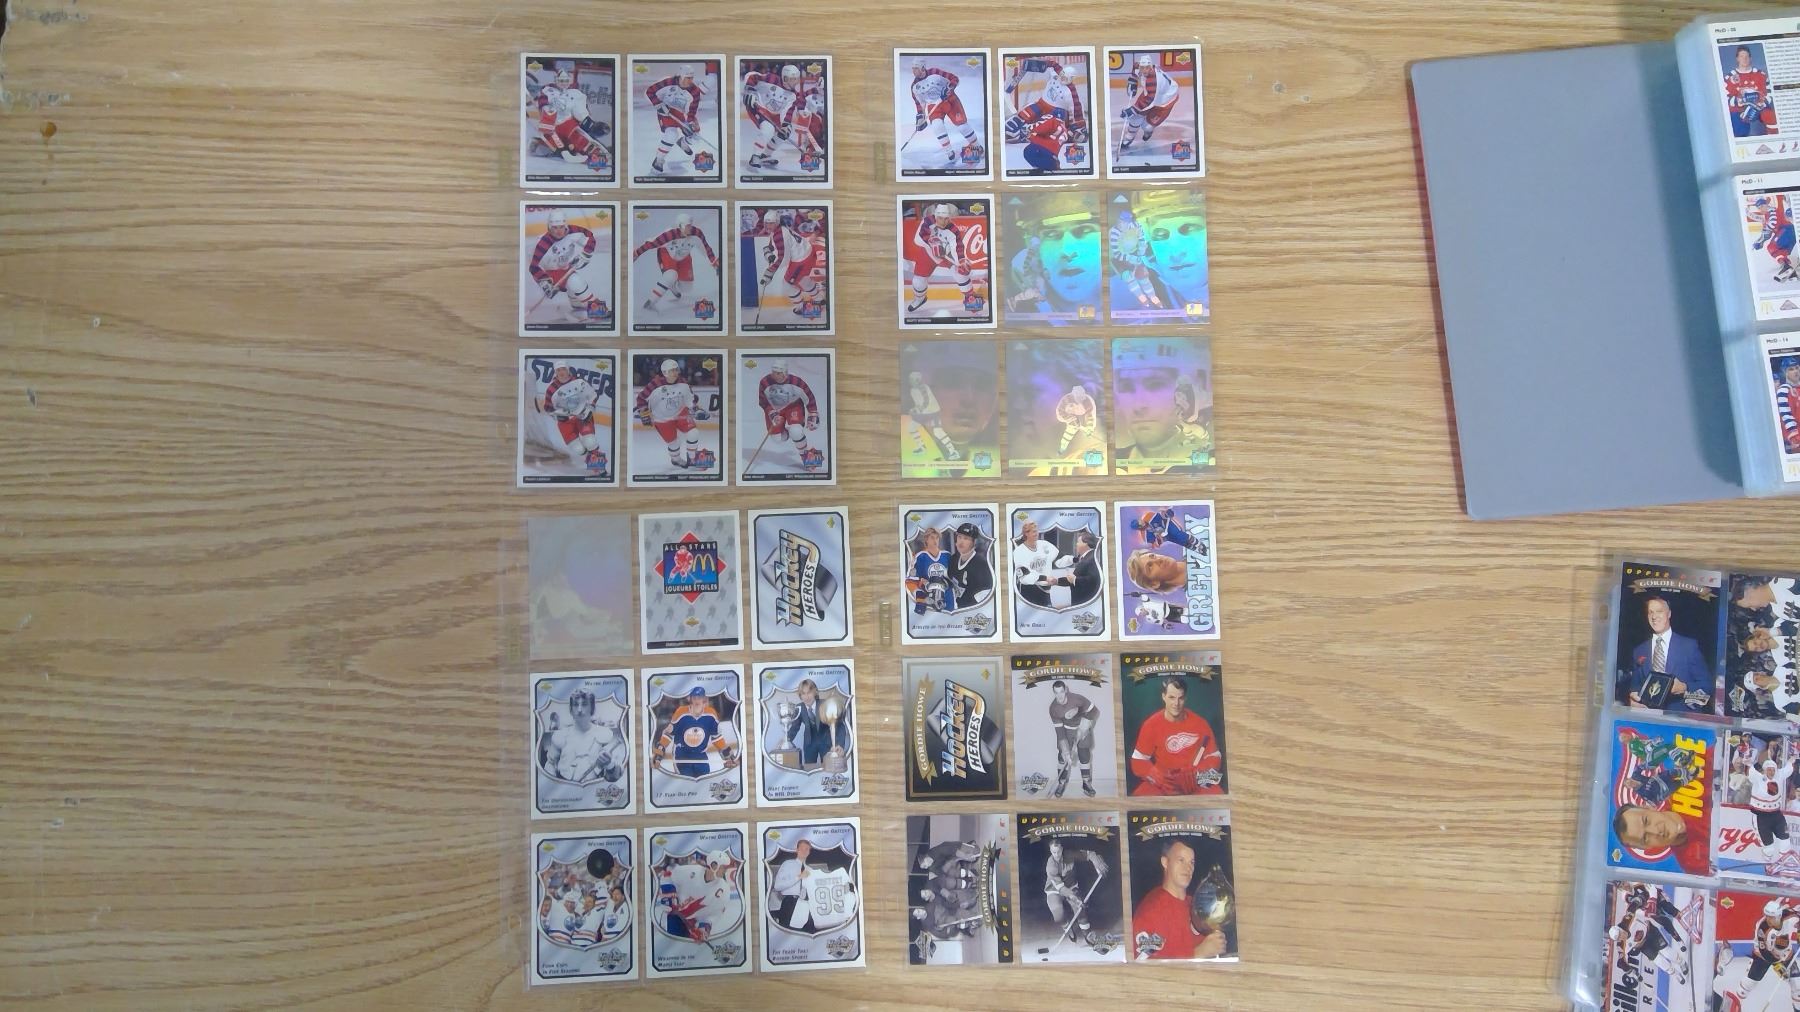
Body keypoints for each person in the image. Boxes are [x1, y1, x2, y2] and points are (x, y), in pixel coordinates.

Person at [1114, 339, 1210, 470]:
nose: (1138, 405)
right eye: (1126, 387)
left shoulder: (1207, 463)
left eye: (1156, 385)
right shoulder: (1109, 460)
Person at [1131, 839, 1228, 960]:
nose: (1188, 868)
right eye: (1181, 860)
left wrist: (1217, 943)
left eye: (1191, 862)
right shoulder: (1151, 910)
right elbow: (1143, 961)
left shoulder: (1198, 906)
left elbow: (1210, 949)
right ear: (1165, 862)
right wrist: (1198, 953)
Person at [1130, 676, 1223, 795]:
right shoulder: (1151, 724)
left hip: (1195, 781)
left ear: (1185, 698)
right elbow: (1138, 760)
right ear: (1163, 697)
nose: (1176, 703)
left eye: (1181, 698)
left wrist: (1197, 775)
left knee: (1218, 794)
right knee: (1139, 797)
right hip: (1164, 782)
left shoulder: (1200, 723)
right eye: (1172, 697)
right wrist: (1159, 778)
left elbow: (1215, 757)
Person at [1622, 596, 1713, 713]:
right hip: (1648, 718)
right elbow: (1634, 689)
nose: (1654, 617)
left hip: (1681, 719)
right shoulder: (1639, 651)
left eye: (1659, 611)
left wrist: (1685, 688)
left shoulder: (1689, 647)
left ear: (1669, 614)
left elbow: (1708, 688)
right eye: (1650, 612)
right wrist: (1632, 701)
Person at [527, 209, 609, 322]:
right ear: (549, 227)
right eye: (555, 227)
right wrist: (544, 282)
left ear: (565, 225)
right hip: (550, 273)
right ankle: (599, 311)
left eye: (561, 227)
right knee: (576, 282)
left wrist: (585, 254)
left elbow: (590, 238)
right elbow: (533, 266)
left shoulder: (573, 231)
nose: (558, 231)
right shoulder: (542, 244)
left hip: (566, 268)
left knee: (575, 284)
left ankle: (577, 304)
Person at [634, 358, 713, 472]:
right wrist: (644, 412)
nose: (675, 372)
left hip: (681, 413)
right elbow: (641, 399)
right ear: (665, 372)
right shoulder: (655, 384)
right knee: (674, 443)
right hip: (662, 419)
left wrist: (696, 410)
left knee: (693, 433)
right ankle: (676, 459)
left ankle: (692, 459)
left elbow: (690, 400)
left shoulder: (683, 382)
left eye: (676, 369)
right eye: (672, 370)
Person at [633, 212, 720, 314]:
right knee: (671, 276)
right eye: (687, 226)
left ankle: (672, 286)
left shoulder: (697, 233)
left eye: (691, 225)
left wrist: (715, 264)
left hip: (684, 257)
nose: (690, 228)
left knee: (686, 288)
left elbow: (706, 249)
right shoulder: (669, 235)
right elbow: (651, 243)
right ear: (680, 226)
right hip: (667, 254)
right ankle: (651, 302)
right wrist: (636, 253)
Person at [907, 202, 982, 315]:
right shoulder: (927, 221)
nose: (943, 221)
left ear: (949, 218)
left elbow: (957, 248)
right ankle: (919, 299)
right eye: (940, 218)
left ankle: (970, 299)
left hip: (945, 256)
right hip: (928, 254)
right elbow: (917, 239)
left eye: (946, 218)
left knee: (961, 273)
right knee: (918, 281)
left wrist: (960, 261)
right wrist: (932, 243)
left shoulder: (953, 230)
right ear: (936, 216)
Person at [907, 57, 981, 168]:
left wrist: (949, 88)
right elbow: (920, 103)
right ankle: (950, 153)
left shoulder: (935, 72)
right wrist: (921, 117)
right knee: (937, 126)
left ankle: (977, 147)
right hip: (934, 105)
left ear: (922, 68)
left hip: (950, 100)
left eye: (916, 68)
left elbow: (954, 78)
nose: (913, 71)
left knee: (962, 127)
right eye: (913, 68)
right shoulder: (914, 87)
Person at [541, 689, 623, 785]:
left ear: (592, 708)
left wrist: (609, 764)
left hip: (593, 789)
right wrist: (553, 784)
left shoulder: (605, 734)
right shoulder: (560, 736)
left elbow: (616, 776)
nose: (579, 709)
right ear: (571, 710)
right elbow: (550, 764)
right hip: (565, 789)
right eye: (575, 705)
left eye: (584, 704)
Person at [538, 360, 608, 471]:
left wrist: (590, 409)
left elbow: (593, 395)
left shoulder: (579, 382)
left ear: (568, 370)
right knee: (578, 449)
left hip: (582, 416)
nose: (561, 372)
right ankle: (589, 457)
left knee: (590, 441)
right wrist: (557, 415)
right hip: (565, 422)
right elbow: (548, 408)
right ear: (555, 372)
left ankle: (598, 467)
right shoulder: (551, 389)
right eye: (558, 370)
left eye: (563, 369)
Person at [755, 358, 823, 471]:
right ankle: (791, 433)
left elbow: (809, 397)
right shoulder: (765, 382)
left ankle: (809, 459)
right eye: (773, 372)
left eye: (778, 373)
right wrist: (771, 413)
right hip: (775, 410)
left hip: (793, 407)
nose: (775, 375)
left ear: (785, 372)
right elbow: (763, 401)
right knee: (777, 438)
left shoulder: (796, 382)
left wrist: (813, 413)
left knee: (796, 431)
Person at [656, 687, 735, 778]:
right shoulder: (681, 713)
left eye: (700, 697)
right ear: (690, 699)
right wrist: (658, 754)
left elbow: (716, 737)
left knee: (704, 783)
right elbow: (668, 734)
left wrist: (728, 757)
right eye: (694, 698)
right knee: (686, 783)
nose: (697, 700)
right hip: (682, 757)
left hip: (701, 757)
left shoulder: (711, 714)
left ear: (704, 699)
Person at [1611, 804, 1710, 875]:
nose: (1655, 831)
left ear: (1649, 807)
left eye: (1646, 820)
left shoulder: (1685, 789)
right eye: (1645, 838)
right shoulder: (1692, 862)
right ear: (1646, 847)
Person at [646, 65, 706, 174]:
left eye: (692, 78)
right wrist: (658, 104)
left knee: (695, 136)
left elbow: (692, 110)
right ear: (681, 76)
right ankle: (659, 160)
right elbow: (650, 91)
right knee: (672, 135)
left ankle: (683, 142)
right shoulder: (668, 82)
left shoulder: (695, 91)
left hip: (682, 114)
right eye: (688, 78)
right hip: (666, 112)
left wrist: (690, 122)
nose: (690, 81)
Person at [1042, 838, 1105, 937]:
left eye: (1058, 851)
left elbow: (1089, 854)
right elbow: (1061, 888)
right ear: (1050, 851)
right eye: (1054, 852)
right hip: (1054, 890)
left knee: (1080, 910)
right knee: (1058, 916)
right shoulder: (1050, 866)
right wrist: (1074, 898)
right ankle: (1067, 928)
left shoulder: (1069, 854)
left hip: (1071, 886)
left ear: (1061, 849)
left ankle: (1087, 934)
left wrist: (1097, 862)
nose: (1057, 855)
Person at [1048, 679, 1099, 797]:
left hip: (1083, 728)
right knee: (1062, 757)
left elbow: (1094, 711)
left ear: (1065, 690)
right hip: (1067, 731)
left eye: (1061, 692)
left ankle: (1086, 783)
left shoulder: (1077, 699)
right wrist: (1066, 751)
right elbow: (1060, 732)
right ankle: (1061, 783)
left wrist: (1086, 722)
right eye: (1056, 693)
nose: (1059, 696)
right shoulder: (1053, 708)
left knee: (1084, 755)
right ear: (1054, 692)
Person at [783, 678, 849, 766]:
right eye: (803, 693)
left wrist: (840, 744)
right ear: (800, 695)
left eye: (809, 692)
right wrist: (786, 740)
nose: (807, 697)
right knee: (809, 768)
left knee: (827, 767)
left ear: (815, 692)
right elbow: (794, 728)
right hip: (809, 745)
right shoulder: (799, 708)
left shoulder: (825, 704)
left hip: (826, 743)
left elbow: (839, 725)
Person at [770, 838, 820, 932]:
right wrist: (799, 877)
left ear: (809, 852)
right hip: (790, 903)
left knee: (807, 933)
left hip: (806, 905)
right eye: (802, 848)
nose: (804, 851)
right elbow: (777, 886)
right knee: (787, 934)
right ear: (797, 850)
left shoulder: (810, 870)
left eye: (807, 849)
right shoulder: (788, 864)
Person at [1725, 45, 1774, 138]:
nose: (1745, 59)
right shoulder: (1729, 77)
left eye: (1747, 56)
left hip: (1759, 107)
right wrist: (1740, 101)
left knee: (1771, 116)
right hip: (1738, 110)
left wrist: (1760, 105)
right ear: (1737, 59)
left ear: (1750, 58)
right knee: (1740, 130)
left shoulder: (1761, 74)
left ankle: (1774, 140)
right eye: (1741, 56)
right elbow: (1725, 98)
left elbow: (1770, 95)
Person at [946, 522, 994, 607]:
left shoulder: (981, 564)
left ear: (974, 542)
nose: (961, 541)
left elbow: (986, 595)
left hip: (971, 610)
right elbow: (949, 582)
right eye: (959, 537)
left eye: (966, 538)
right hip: (955, 607)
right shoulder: (953, 559)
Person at [909, 526, 954, 614]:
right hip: (929, 601)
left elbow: (954, 578)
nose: (935, 540)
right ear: (926, 539)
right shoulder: (920, 557)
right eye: (932, 538)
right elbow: (912, 580)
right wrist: (922, 584)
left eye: (937, 538)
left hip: (948, 601)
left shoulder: (947, 556)